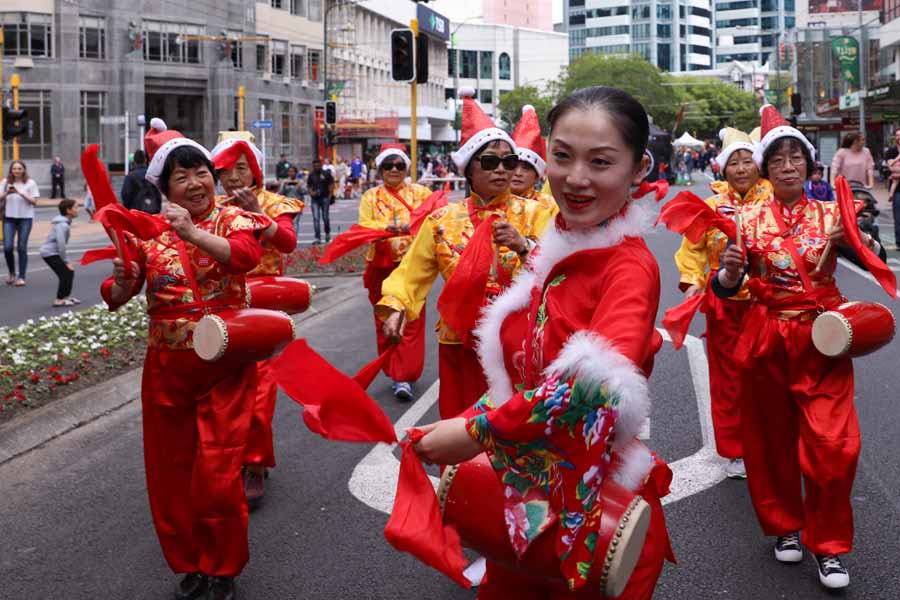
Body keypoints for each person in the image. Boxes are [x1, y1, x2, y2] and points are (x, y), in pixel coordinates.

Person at [412, 86, 673, 599]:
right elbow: (527, 363)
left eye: (600, 162)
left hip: (586, 496)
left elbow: (592, 389)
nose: (576, 179)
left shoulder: (628, 266)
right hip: (522, 492)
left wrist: (479, 432)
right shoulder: (557, 241)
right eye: (562, 156)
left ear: (639, 168)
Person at [715, 105, 886, 591]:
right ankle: (786, 526)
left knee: (835, 446)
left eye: (796, 157)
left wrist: (857, 234)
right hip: (766, 337)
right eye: (778, 159)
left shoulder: (834, 213)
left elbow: (867, 256)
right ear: (766, 170)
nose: (787, 166)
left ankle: (828, 547)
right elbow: (728, 284)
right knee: (770, 443)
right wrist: (728, 275)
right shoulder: (745, 219)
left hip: (822, 341)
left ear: (810, 166)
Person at [102, 119, 274, 600]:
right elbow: (118, 296)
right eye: (182, 176)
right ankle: (190, 564)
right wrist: (120, 278)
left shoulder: (232, 220)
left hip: (223, 364)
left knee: (218, 475)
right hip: (166, 369)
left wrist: (193, 234)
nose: (196, 182)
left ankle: (222, 568)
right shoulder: (149, 235)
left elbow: (242, 257)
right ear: (165, 188)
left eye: (201, 171)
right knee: (171, 472)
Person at [376, 87, 553, 420]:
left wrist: (523, 245)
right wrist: (397, 306)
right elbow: (411, 273)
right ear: (469, 169)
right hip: (460, 343)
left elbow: (559, 270)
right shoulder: (442, 221)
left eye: (509, 161)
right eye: (490, 161)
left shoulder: (535, 214)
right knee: (461, 429)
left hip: (518, 342)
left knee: (516, 431)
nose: (502, 169)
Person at [672, 127, 772, 479]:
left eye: (748, 161)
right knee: (728, 378)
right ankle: (735, 449)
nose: (742, 168)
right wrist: (693, 282)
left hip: (769, 305)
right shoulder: (711, 206)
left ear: (759, 166)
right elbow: (693, 249)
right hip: (724, 305)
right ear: (723, 169)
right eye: (735, 163)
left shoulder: (775, 203)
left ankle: (775, 442)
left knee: (768, 377)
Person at [210, 131, 303, 508]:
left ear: (256, 170)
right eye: (226, 170)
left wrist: (261, 217)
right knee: (223, 390)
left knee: (261, 392)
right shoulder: (211, 206)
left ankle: (255, 464)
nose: (233, 177)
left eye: (241, 168)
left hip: (263, 307)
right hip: (220, 307)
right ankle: (226, 457)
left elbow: (288, 243)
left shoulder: (275, 203)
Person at [358, 143, 433, 402]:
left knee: (410, 320)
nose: (394, 169)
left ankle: (405, 375)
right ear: (379, 169)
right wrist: (390, 228)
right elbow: (364, 227)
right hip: (380, 266)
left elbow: (431, 220)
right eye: (388, 165)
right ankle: (393, 370)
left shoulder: (421, 192)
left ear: (407, 168)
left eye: (399, 165)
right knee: (385, 319)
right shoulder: (370, 197)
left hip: (411, 266)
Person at [509, 104, 558, 215]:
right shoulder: (490, 206)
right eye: (513, 166)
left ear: (537, 176)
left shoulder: (549, 206)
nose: (518, 173)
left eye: (526, 168)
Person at [1, 160, 40, 286]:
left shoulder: (30, 183)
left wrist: (20, 193)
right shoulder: (5, 182)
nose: (17, 171)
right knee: (7, 247)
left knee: (22, 247)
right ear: (11, 170)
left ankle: (21, 276)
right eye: (14, 168)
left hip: (25, 218)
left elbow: (34, 202)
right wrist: (7, 192)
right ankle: (12, 273)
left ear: (24, 170)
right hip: (9, 218)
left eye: (19, 168)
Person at [40, 198, 81, 307]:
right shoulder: (62, 225)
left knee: (68, 273)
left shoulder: (64, 222)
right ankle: (59, 300)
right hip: (49, 253)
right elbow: (61, 244)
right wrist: (66, 261)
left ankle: (65, 297)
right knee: (66, 273)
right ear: (68, 211)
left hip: (53, 252)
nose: (78, 210)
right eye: (76, 207)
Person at [121, 149, 163, 214]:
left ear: (134, 161)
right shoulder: (152, 174)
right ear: (145, 160)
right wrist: (157, 207)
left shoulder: (130, 176)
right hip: (152, 211)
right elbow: (158, 193)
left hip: (135, 213)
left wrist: (129, 209)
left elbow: (126, 195)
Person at [307, 159, 334, 244]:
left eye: (318, 165)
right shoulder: (311, 175)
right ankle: (317, 237)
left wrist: (330, 194)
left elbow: (331, 183)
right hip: (315, 199)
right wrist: (311, 192)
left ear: (321, 165)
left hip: (325, 197)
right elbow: (309, 185)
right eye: (315, 166)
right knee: (316, 218)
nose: (316, 167)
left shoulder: (326, 173)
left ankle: (327, 234)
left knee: (325, 217)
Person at [278, 166, 306, 239]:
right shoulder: (285, 181)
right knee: (288, 222)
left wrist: (299, 186)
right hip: (287, 205)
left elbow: (305, 191)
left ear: (296, 173)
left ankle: (294, 238)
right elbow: (280, 193)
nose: (291, 173)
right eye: (290, 171)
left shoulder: (300, 181)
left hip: (297, 204)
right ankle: (289, 237)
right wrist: (284, 186)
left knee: (296, 223)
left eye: (293, 171)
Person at [884, 128, 900, 249]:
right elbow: (891, 168)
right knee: (898, 217)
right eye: (897, 135)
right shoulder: (891, 151)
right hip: (897, 190)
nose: (899, 137)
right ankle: (899, 242)